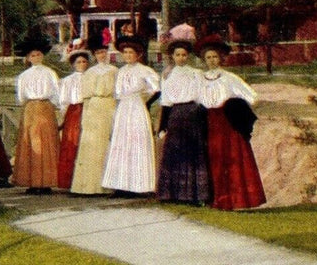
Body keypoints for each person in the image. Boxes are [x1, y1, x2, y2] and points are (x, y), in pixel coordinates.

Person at [196, 35, 266, 210]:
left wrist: (236, 106)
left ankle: (237, 200)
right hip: (209, 121)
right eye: (208, 58)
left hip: (227, 122)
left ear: (221, 58)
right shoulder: (200, 78)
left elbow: (252, 97)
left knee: (232, 160)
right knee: (214, 160)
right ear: (204, 60)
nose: (212, 61)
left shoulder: (229, 78)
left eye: (215, 57)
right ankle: (217, 199)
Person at [155, 39, 212, 204]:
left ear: (188, 56)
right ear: (172, 56)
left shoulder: (196, 73)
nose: (181, 58)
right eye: (177, 55)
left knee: (193, 154)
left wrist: (203, 118)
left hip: (193, 113)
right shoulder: (167, 75)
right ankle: (173, 194)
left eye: (184, 55)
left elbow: (202, 96)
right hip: (175, 114)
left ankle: (195, 195)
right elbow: (165, 101)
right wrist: (163, 126)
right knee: (175, 153)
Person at [101, 35, 159, 196]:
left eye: (130, 52)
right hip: (123, 108)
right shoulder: (120, 72)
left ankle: (139, 186)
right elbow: (118, 93)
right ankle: (120, 185)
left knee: (137, 143)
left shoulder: (145, 70)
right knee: (121, 143)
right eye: (125, 52)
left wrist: (146, 102)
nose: (127, 55)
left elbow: (156, 89)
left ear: (138, 54)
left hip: (137, 107)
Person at [12, 31, 60, 194]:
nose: (36, 58)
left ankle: (46, 182)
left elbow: (56, 92)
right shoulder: (23, 76)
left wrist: (54, 105)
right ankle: (32, 182)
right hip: (31, 108)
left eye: (39, 54)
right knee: (30, 143)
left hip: (45, 107)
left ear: (43, 56)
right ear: (28, 58)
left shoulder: (50, 73)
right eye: (33, 55)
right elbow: (21, 96)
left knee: (46, 142)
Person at [69, 39, 118, 195]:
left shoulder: (114, 71)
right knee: (92, 144)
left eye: (103, 52)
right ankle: (88, 185)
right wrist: (86, 115)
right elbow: (86, 96)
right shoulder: (90, 73)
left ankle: (109, 184)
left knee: (107, 142)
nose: (101, 55)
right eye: (98, 53)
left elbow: (118, 93)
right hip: (94, 107)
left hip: (109, 105)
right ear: (94, 55)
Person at [57, 39, 90, 190]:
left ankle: (87, 180)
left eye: (84, 61)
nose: (82, 64)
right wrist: (63, 117)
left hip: (90, 110)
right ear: (73, 64)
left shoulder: (92, 77)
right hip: (74, 112)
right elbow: (64, 101)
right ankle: (69, 179)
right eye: (79, 62)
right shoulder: (68, 81)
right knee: (73, 142)